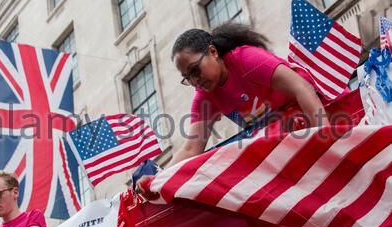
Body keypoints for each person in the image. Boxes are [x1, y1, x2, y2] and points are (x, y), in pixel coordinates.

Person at [137, 22, 349, 191]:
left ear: (213, 52)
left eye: (195, 70)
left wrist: (327, 140)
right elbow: (191, 148)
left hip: (323, 117)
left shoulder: (246, 59)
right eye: (187, 78)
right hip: (284, 140)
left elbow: (301, 87)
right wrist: (158, 177)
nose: (194, 81)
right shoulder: (205, 97)